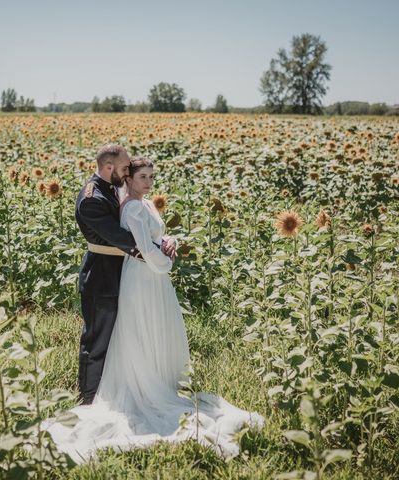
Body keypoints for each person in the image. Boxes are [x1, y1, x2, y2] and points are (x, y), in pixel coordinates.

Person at [46, 156, 264, 463]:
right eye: (142, 176)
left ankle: (159, 378)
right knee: (137, 330)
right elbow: (143, 248)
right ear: (129, 179)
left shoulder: (145, 204)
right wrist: (167, 261)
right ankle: (119, 390)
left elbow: (154, 237)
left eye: (152, 176)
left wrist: (169, 240)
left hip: (151, 273)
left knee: (156, 328)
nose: (149, 182)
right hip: (144, 274)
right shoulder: (130, 206)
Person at [74, 144, 175, 405]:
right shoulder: (92, 198)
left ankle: (122, 390)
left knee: (123, 339)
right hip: (102, 277)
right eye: (124, 168)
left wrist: (163, 240)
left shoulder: (113, 187)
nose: (127, 171)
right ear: (109, 168)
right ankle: (88, 398)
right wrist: (158, 256)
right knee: (97, 342)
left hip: (123, 274)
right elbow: (122, 239)